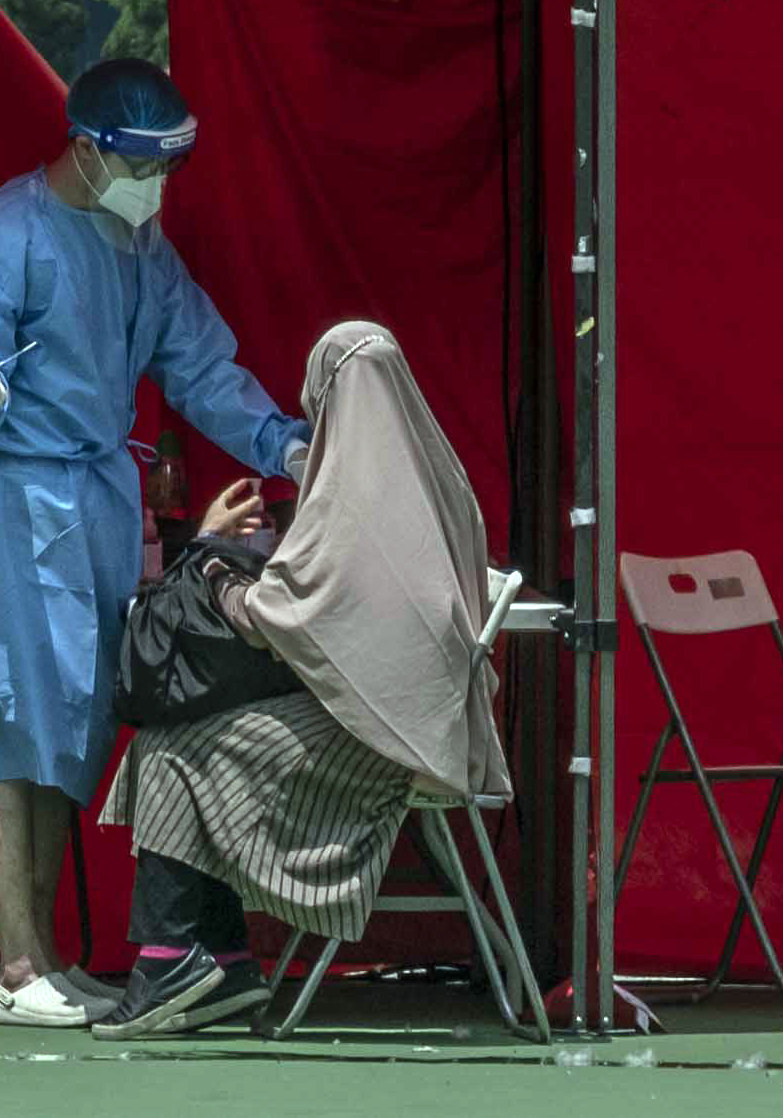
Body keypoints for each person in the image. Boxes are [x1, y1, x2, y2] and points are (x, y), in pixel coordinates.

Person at [0, 55, 305, 1028]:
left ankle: (45, 958)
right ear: (88, 150)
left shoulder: (137, 246)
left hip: (95, 497)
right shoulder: (5, 232)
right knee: (8, 729)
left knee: (65, 738)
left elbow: (199, 361)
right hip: (17, 495)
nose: (159, 188)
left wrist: (281, 441)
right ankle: (11, 972)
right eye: (146, 167)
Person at [97, 319, 506, 1038]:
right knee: (197, 732)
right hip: (433, 725)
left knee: (170, 744)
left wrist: (213, 557)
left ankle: (173, 959)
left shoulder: (351, 497)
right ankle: (220, 957)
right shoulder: (445, 484)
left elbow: (276, 618)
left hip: (378, 741)